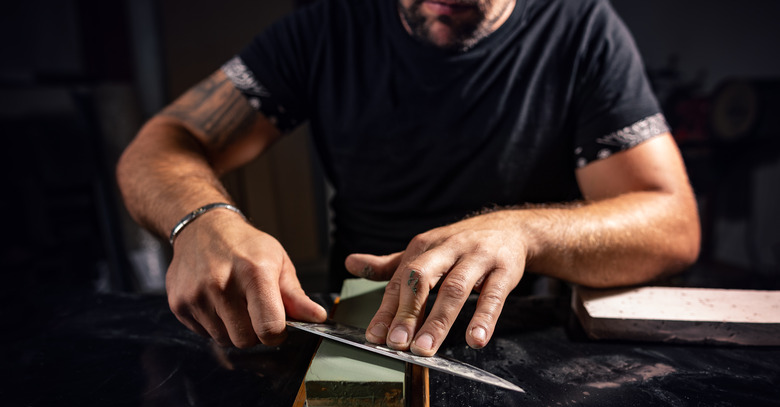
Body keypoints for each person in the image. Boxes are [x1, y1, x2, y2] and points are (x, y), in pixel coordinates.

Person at [116, 0, 700, 357]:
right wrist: (201, 221)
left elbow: (672, 222)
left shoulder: (582, 29)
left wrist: (523, 233)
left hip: (517, 331)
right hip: (356, 316)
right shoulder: (325, 29)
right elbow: (159, 145)